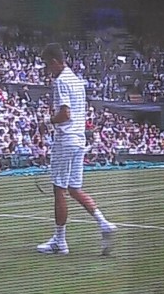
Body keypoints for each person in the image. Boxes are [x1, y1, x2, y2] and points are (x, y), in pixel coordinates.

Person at [37, 44, 117, 256]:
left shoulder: (61, 81)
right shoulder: (77, 80)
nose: (46, 70)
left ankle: (60, 241)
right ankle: (104, 223)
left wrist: (46, 121)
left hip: (66, 140)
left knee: (59, 190)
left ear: (54, 62)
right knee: (74, 189)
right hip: (79, 140)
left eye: (47, 65)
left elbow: (65, 115)